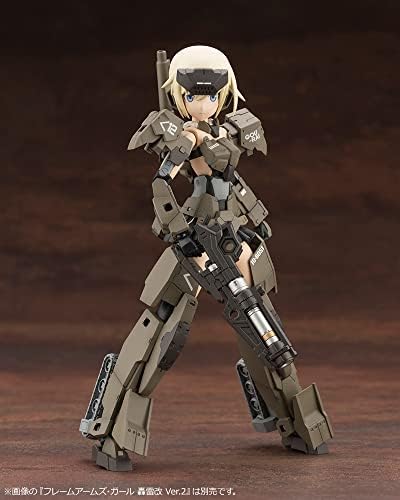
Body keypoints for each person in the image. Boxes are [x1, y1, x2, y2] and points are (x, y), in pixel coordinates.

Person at [79, 45, 333, 471]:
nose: (203, 104)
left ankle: (299, 424)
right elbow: (161, 184)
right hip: (197, 237)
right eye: (193, 96)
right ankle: (112, 432)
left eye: (212, 96)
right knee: (162, 329)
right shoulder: (178, 135)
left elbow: (232, 177)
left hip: (234, 234)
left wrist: (253, 219)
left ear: (224, 94)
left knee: (262, 326)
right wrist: (181, 237)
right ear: (178, 95)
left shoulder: (233, 128)